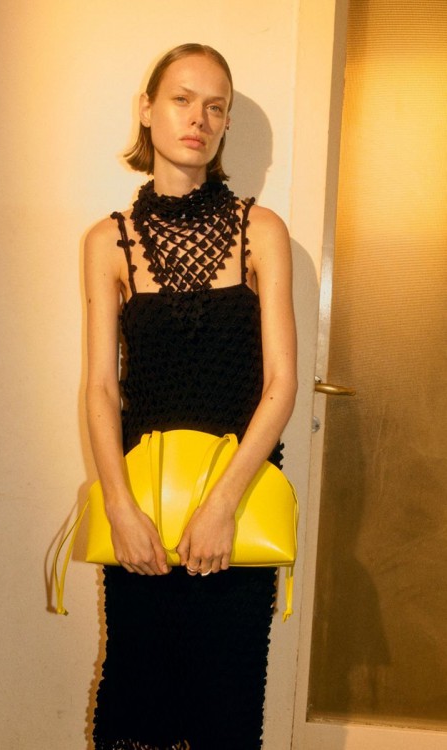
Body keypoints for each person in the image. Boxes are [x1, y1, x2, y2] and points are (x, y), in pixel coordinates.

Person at [84, 43, 297, 750]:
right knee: (135, 712)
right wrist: (119, 509)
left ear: (226, 122)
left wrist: (222, 506)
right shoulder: (107, 242)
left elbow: (281, 383)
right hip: (143, 507)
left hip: (238, 508)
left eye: (215, 106)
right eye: (181, 99)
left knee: (222, 718)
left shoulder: (260, 231)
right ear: (148, 111)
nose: (198, 118)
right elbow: (100, 387)